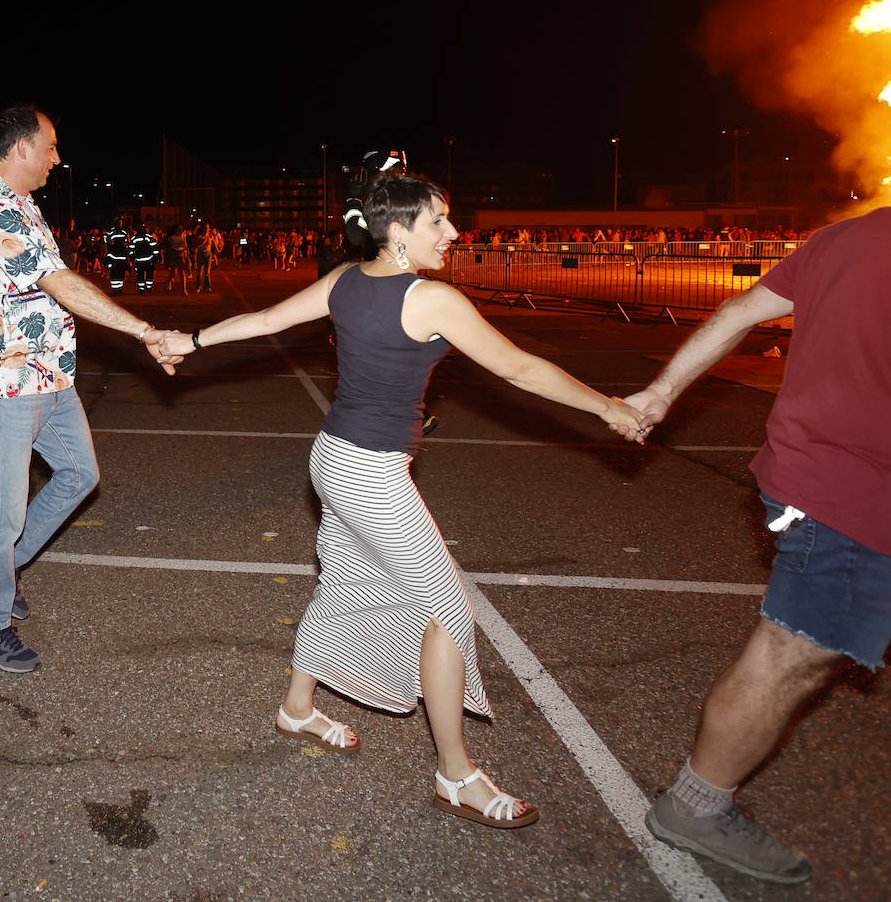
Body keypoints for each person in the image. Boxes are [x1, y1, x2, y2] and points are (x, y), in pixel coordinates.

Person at [625, 95, 891, 901]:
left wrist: (657, 395)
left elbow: (737, 312)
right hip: (855, 507)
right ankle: (694, 804)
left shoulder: (850, 236)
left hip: (871, 505)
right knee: (794, 654)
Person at [161, 174, 644, 829]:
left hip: (331, 457)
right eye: (438, 221)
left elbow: (267, 321)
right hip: (368, 471)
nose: (452, 231)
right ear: (398, 232)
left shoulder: (344, 280)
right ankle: (455, 774)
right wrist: (606, 405)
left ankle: (297, 707)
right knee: (450, 610)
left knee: (340, 589)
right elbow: (517, 367)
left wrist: (188, 341)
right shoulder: (431, 298)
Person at [0, 105, 178, 674]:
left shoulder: (23, 204)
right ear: (20, 147)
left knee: (79, 475)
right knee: (4, 510)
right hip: (6, 384)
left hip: (46, 373)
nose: (56, 157)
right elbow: (61, 282)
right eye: (49, 146)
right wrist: (145, 330)